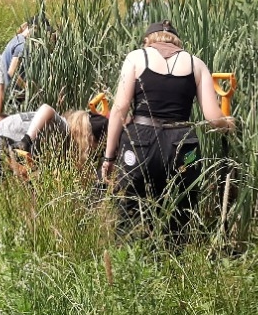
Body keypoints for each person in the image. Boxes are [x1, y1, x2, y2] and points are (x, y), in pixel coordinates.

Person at [100, 20, 235, 240]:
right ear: (177, 42)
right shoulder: (196, 64)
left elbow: (119, 110)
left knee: (131, 211)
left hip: (140, 143)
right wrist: (229, 123)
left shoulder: (137, 57)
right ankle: (174, 261)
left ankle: (132, 261)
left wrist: (109, 156)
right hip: (183, 147)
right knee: (181, 211)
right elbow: (213, 118)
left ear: (148, 40)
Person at [1, 14, 49, 102]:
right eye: (42, 32)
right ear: (35, 28)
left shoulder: (16, 39)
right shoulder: (23, 45)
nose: (42, 36)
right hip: (13, 97)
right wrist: (29, 89)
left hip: (4, 92)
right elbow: (12, 72)